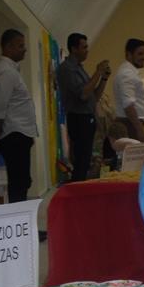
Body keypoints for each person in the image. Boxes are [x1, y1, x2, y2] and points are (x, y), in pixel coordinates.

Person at [0, 29, 37, 203]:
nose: (24, 49)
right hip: (13, 136)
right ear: (8, 47)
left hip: (20, 134)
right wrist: (1, 135)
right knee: (19, 182)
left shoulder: (12, 70)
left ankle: (22, 221)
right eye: (20, 46)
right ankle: (20, 224)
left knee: (23, 181)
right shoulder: (7, 72)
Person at [56, 33, 110, 181]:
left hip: (87, 117)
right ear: (74, 49)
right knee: (81, 161)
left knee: (86, 161)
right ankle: (76, 191)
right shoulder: (67, 69)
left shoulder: (80, 69)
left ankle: (80, 188)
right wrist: (98, 72)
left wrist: (104, 78)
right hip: (78, 119)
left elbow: (94, 97)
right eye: (84, 47)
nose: (87, 50)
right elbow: (83, 95)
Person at [113, 39, 144, 143]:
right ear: (128, 55)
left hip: (133, 124)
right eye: (140, 54)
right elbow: (128, 106)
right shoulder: (126, 74)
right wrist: (140, 131)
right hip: (130, 125)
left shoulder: (131, 72)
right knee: (134, 159)